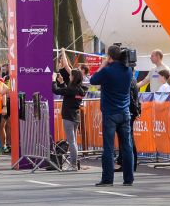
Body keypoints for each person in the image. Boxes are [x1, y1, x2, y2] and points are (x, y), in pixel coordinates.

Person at [90, 44, 134, 187]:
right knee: (127, 147)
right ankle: (129, 178)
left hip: (110, 112)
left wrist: (103, 65)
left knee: (108, 147)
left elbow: (92, 80)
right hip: (125, 112)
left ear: (109, 57)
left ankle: (108, 179)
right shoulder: (128, 71)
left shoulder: (107, 71)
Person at [53, 52, 87, 171]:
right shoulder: (81, 89)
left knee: (71, 142)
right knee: (73, 142)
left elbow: (57, 91)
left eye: (71, 76)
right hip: (75, 116)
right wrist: (62, 82)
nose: (70, 77)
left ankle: (73, 164)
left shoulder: (72, 89)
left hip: (68, 116)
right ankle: (74, 163)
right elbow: (66, 91)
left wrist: (54, 81)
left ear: (73, 77)